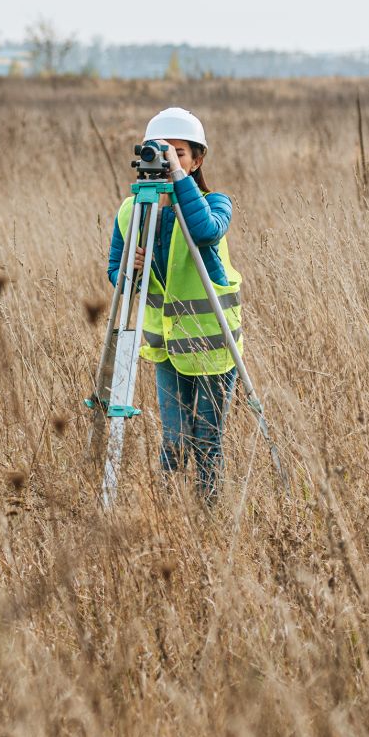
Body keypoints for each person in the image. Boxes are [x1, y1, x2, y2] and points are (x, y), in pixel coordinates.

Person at [106, 107, 241, 505]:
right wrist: (127, 271)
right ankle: (168, 515)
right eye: (162, 152)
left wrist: (178, 180)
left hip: (213, 345)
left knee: (206, 439)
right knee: (174, 439)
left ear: (197, 160)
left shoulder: (216, 203)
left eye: (179, 153)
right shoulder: (134, 209)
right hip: (166, 345)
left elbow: (204, 231)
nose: (169, 160)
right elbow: (116, 274)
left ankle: (207, 513)